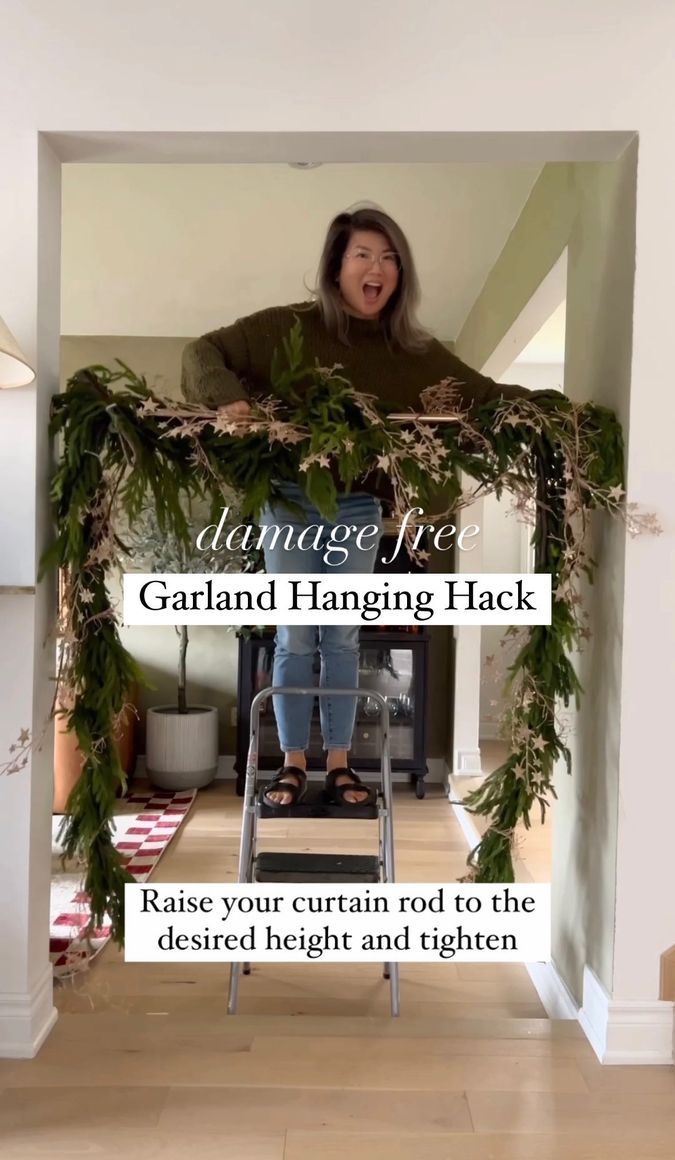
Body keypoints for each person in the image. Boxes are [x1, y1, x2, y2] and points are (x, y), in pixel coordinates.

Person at [181, 204, 529, 806]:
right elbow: (200, 353)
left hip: (359, 507)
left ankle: (339, 765)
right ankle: (291, 764)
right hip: (288, 500)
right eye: (364, 254)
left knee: (340, 636)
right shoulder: (284, 327)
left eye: (390, 258)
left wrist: (548, 411)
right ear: (337, 265)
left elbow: (484, 393)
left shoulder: (413, 352)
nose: (378, 268)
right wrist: (228, 399)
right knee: (295, 636)